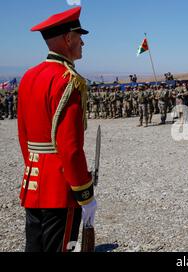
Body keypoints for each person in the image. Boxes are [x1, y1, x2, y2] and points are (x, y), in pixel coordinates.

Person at [17, 6, 96, 252]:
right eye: (79, 36)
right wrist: (85, 194)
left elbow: (23, 135)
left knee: (35, 246)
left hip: (34, 181)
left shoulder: (29, 76)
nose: (82, 42)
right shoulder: (68, 80)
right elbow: (70, 148)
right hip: (60, 188)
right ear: (68, 38)